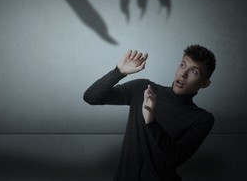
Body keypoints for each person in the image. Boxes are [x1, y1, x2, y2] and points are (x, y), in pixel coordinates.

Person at [83, 44, 216, 181]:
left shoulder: (202, 119)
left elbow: (177, 158)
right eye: (183, 65)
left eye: (194, 71)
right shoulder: (144, 88)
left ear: (205, 84)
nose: (183, 73)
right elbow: (91, 97)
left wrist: (151, 122)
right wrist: (119, 72)